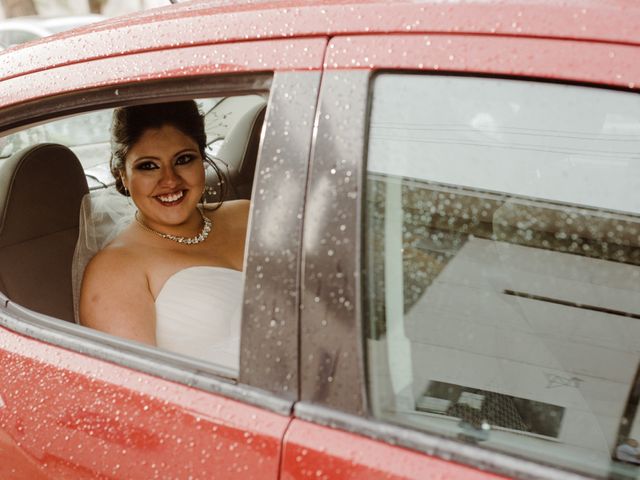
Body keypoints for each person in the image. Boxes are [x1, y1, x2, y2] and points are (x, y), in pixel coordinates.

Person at [79, 101, 249, 373]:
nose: (170, 180)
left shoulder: (248, 214)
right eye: (148, 166)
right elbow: (138, 392)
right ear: (122, 175)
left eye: (183, 159)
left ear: (202, 159)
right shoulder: (113, 271)